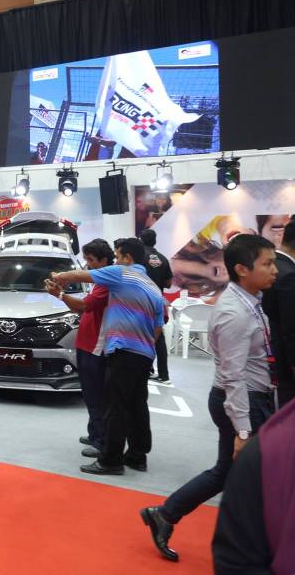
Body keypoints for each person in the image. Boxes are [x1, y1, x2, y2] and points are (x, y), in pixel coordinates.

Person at [140, 234, 278, 562]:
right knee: (244, 476)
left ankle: (166, 514)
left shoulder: (251, 301)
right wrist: (243, 429)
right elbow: (233, 377)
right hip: (242, 402)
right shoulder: (234, 312)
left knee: (230, 473)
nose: (275, 270)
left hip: (253, 399)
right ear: (242, 269)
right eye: (268, 264)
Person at [51, 237, 164, 476]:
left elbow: (80, 276)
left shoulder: (122, 273)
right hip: (144, 353)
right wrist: (144, 345)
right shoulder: (152, 286)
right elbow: (158, 327)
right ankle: (137, 456)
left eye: (118, 255)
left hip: (123, 351)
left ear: (128, 258)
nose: (116, 260)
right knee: (137, 406)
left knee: (115, 407)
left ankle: (110, 460)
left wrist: (58, 276)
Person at [45, 239, 113, 456]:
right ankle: (95, 434)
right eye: (86, 260)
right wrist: (64, 296)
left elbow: (84, 305)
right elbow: (83, 309)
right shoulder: (98, 282)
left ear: (104, 260)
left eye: (91, 260)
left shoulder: (107, 282)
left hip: (96, 345)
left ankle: (102, 441)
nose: (87, 264)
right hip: (86, 342)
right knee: (90, 393)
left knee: (96, 395)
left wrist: (60, 295)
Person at [212, 398, 295, 573]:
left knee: (224, 474)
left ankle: (168, 512)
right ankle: (168, 512)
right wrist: (243, 431)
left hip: (258, 406)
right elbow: (234, 382)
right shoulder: (270, 449)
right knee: (223, 473)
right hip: (250, 407)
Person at [263, 219, 295, 406]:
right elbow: (290, 328)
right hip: (286, 358)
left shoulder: (278, 266)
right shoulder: (288, 274)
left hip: (278, 351)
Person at [140, 229, 173, 383]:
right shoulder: (163, 259)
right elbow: (168, 283)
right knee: (159, 338)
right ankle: (163, 373)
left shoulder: (139, 257)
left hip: (142, 301)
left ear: (141, 240)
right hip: (158, 301)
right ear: (155, 240)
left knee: (141, 336)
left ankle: (146, 370)